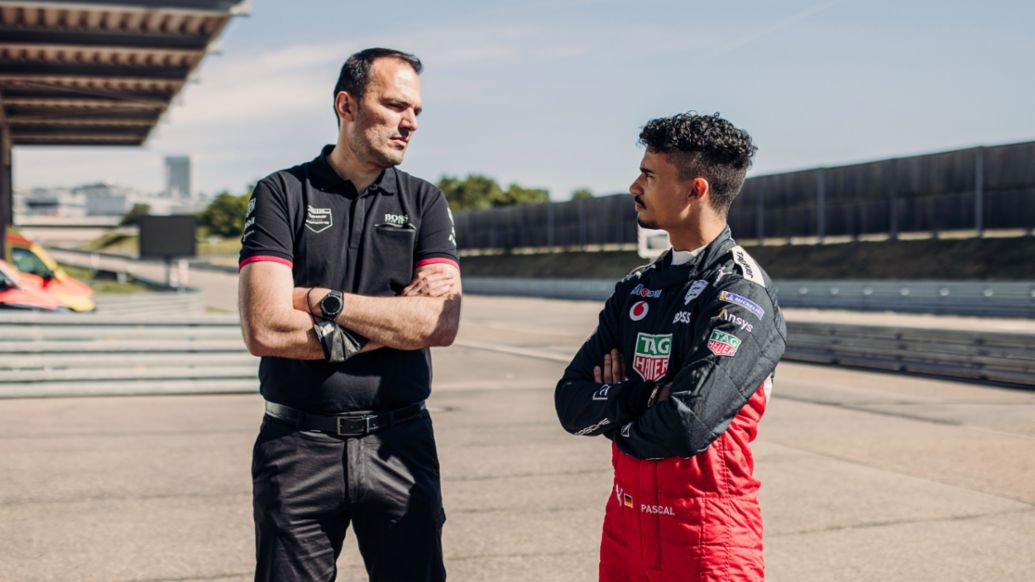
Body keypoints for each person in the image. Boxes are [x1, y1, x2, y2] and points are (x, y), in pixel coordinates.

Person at [237, 48, 461, 582]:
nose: (410, 122)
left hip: (399, 443)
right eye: (394, 105)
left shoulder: (425, 202)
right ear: (347, 105)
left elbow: (438, 325)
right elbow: (265, 327)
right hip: (297, 447)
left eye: (417, 112)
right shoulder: (281, 193)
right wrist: (394, 322)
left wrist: (320, 299)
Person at [554, 112, 787, 581]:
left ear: (694, 189)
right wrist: (642, 397)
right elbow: (569, 404)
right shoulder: (635, 288)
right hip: (625, 526)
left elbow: (686, 423)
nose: (633, 186)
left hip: (708, 534)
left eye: (648, 174)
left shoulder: (741, 291)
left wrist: (612, 414)